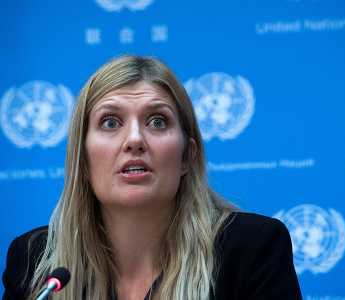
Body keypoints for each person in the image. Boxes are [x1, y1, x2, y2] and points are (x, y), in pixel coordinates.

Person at [2, 55, 302, 300]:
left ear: (188, 156)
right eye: (110, 122)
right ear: (82, 159)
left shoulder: (252, 249)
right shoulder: (34, 261)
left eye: (157, 121)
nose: (134, 139)